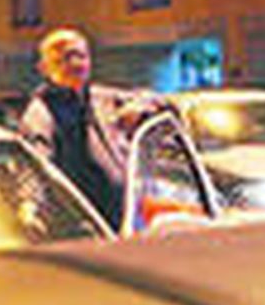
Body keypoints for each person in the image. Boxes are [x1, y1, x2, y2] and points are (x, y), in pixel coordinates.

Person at [19, 28, 164, 232]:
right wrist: (31, 207)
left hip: (127, 222)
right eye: (66, 57)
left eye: (82, 55)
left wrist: (139, 108)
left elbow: (158, 101)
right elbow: (36, 169)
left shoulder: (103, 99)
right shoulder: (41, 115)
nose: (77, 63)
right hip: (86, 228)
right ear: (44, 68)